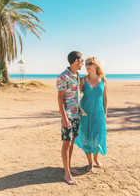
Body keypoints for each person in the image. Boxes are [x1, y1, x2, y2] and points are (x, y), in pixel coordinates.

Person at [75, 56, 107, 173]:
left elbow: (104, 97)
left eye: (90, 64)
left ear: (96, 65)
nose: (87, 66)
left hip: (99, 113)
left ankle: (96, 159)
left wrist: (105, 113)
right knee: (86, 137)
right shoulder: (83, 80)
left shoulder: (103, 80)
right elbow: (77, 96)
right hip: (85, 113)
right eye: (86, 64)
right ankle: (90, 163)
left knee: (98, 137)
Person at [56, 51, 85, 185]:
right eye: (81, 60)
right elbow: (60, 97)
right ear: (75, 61)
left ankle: (69, 166)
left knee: (72, 141)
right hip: (67, 115)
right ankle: (66, 174)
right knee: (66, 143)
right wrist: (64, 117)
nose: (83, 63)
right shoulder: (63, 76)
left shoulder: (77, 75)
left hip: (76, 114)